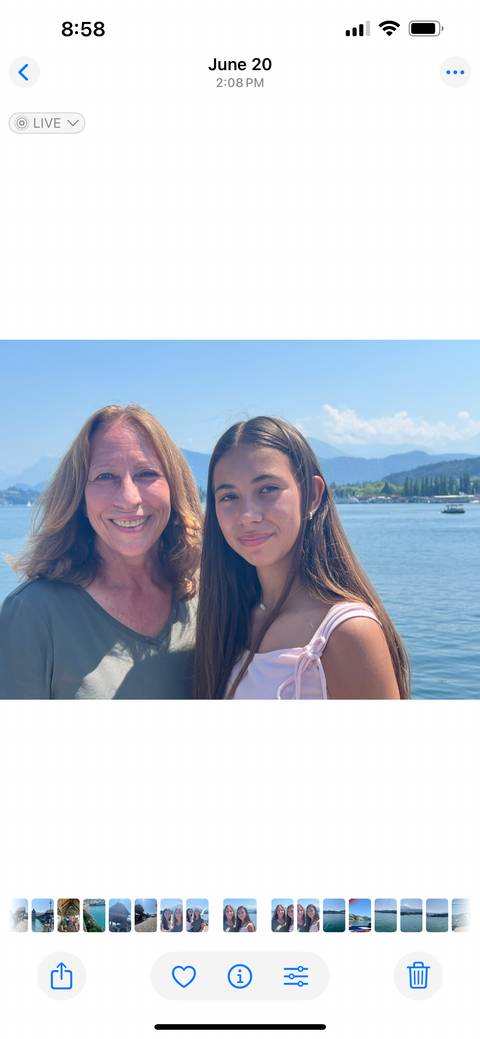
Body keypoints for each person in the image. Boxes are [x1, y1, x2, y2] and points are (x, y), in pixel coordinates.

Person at [194, 417, 409, 699]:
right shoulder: (230, 620)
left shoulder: (347, 633)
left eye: (267, 489)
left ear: (312, 495)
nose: (248, 516)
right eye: (229, 496)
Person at [0, 405, 202, 699]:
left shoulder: (202, 594)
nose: (129, 498)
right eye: (106, 476)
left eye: (146, 474)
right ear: (80, 496)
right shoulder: (33, 613)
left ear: (174, 487)